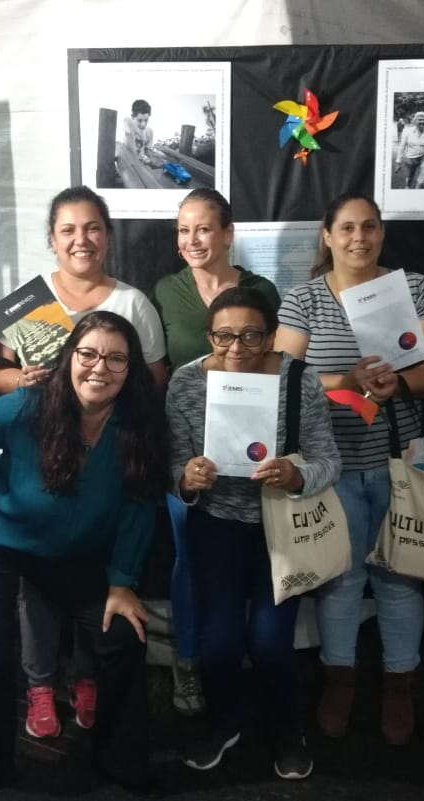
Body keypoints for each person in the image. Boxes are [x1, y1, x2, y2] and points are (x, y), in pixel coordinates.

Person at [0, 311, 170, 795]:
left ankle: (118, 759)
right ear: (69, 359)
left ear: (131, 371)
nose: (99, 368)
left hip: (75, 555)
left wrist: (122, 582)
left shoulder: (138, 426)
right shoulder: (29, 405)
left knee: (124, 634)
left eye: (116, 358)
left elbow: (139, 507)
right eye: (87, 354)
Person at [274, 192, 424, 745]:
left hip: (404, 462)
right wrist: (346, 383)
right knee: (341, 580)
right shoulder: (303, 299)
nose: (360, 238)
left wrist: (398, 382)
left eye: (370, 227)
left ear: (382, 233)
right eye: (347, 228)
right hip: (334, 468)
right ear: (327, 236)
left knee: (401, 579)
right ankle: (340, 680)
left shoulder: (415, 287)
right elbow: (285, 381)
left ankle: (399, 684)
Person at [0, 186, 166, 739]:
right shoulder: (25, 301)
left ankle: (86, 679)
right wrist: (24, 382)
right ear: (52, 239)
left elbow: (155, 381)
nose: (80, 239)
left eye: (92, 227)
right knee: (39, 582)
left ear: (108, 236)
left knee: (92, 575)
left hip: (107, 459)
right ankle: (40, 687)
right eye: (68, 229)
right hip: (38, 459)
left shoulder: (133, 303)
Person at [168, 287, 341, 779]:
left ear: (270, 337)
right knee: (218, 641)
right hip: (216, 526)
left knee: (269, 642)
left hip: (279, 528)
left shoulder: (299, 380)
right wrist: (187, 478)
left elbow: (330, 458)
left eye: (251, 335)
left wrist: (297, 476)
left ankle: (288, 730)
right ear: (209, 336)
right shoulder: (185, 383)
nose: (236, 348)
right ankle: (225, 725)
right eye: (224, 336)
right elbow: (172, 464)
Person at [153, 188, 281, 716]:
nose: (192, 240)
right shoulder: (165, 290)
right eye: (183, 230)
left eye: (203, 229)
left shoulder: (262, 289)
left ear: (228, 234)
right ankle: (188, 662)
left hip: (254, 450)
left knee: (249, 563)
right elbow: (161, 374)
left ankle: (247, 660)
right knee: (188, 559)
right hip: (192, 454)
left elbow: (277, 365)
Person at [395, 112, 424, 189]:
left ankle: (417, 192)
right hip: (410, 158)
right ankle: (408, 189)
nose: (422, 121)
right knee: (410, 177)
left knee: (421, 180)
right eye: (420, 119)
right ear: (415, 120)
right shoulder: (407, 131)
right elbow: (402, 146)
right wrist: (398, 162)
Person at [122, 99, 159, 166]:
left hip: (141, 165)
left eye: (146, 120)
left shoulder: (149, 132)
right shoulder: (127, 123)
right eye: (139, 120)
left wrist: (158, 157)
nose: (143, 124)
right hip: (126, 163)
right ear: (132, 117)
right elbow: (129, 136)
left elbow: (148, 150)